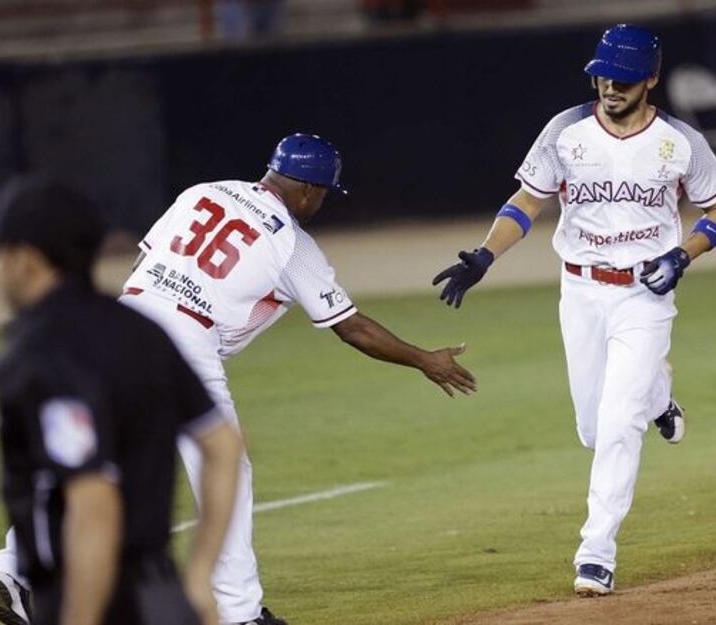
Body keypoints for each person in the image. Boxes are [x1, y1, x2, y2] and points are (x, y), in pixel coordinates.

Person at [84, 133, 470, 624]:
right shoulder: (291, 242)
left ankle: (17, 568)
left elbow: (144, 263)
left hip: (125, 319)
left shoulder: (202, 191)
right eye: (325, 194)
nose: (322, 203)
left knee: (97, 455)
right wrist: (424, 359)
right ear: (309, 191)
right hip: (184, 340)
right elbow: (352, 327)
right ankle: (240, 614)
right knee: (225, 471)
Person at [432, 24, 716, 596]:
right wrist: (483, 255)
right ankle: (658, 395)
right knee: (594, 430)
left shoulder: (679, 142)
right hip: (580, 292)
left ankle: (596, 552)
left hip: (646, 296)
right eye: (601, 74)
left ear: (650, 79)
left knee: (620, 425)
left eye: (622, 78)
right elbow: (528, 199)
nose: (609, 86)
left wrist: (684, 254)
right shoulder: (566, 132)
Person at [0, 177, 243, 625]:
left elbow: (93, 499)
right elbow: (223, 445)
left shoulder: (36, 352)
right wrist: (199, 577)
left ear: (25, 258)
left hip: (91, 597)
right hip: (163, 592)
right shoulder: (141, 331)